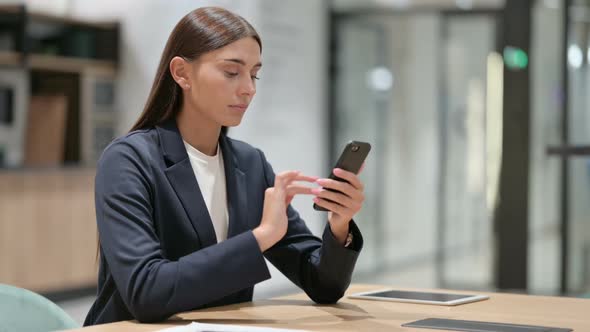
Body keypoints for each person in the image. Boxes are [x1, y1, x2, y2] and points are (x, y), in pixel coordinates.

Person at [84, 6, 366, 326]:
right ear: (181, 73)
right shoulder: (128, 160)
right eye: (232, 72)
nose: (249, 88)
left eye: (254, 73)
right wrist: (261, 237)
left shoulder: (249, 164)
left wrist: (339, 224)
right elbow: (147, 292)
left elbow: (322, 283)